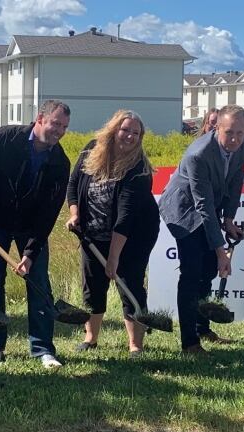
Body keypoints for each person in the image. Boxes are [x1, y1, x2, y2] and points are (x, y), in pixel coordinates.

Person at [0, 100, 71, 369]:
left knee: (39, 285)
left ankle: (43, 348)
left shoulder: (59, 162)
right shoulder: (5, 137)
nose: (59, 131)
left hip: (31, 226)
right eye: (56, 123)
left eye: (65, 127)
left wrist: (30, 253)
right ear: (40, 119)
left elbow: (49, 214)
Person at [66, 110, 159, 358]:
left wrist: (114, 258)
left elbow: (126, 217)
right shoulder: (91, 150)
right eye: (125, 130)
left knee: (129, 283)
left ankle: (135, 345)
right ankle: (91, 338)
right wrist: (75, 214)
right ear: (113, 129)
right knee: (93, 284)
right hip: (92, 232)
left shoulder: (139, 169)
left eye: (135, 133)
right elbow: (74, 185)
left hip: (133, 236)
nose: (129, 136)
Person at [158, 104, 244, 354]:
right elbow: (204, 207)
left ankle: (202, 327)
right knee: (191, 272)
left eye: (240, 133)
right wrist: (221, 252)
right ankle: (190, 342)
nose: (235, 139)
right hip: (183, 209)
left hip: (207, 205)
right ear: (216, 127)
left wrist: (229, 218)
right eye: (229, 132)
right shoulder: (198, 155)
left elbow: (236, 180)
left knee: (208, 269)